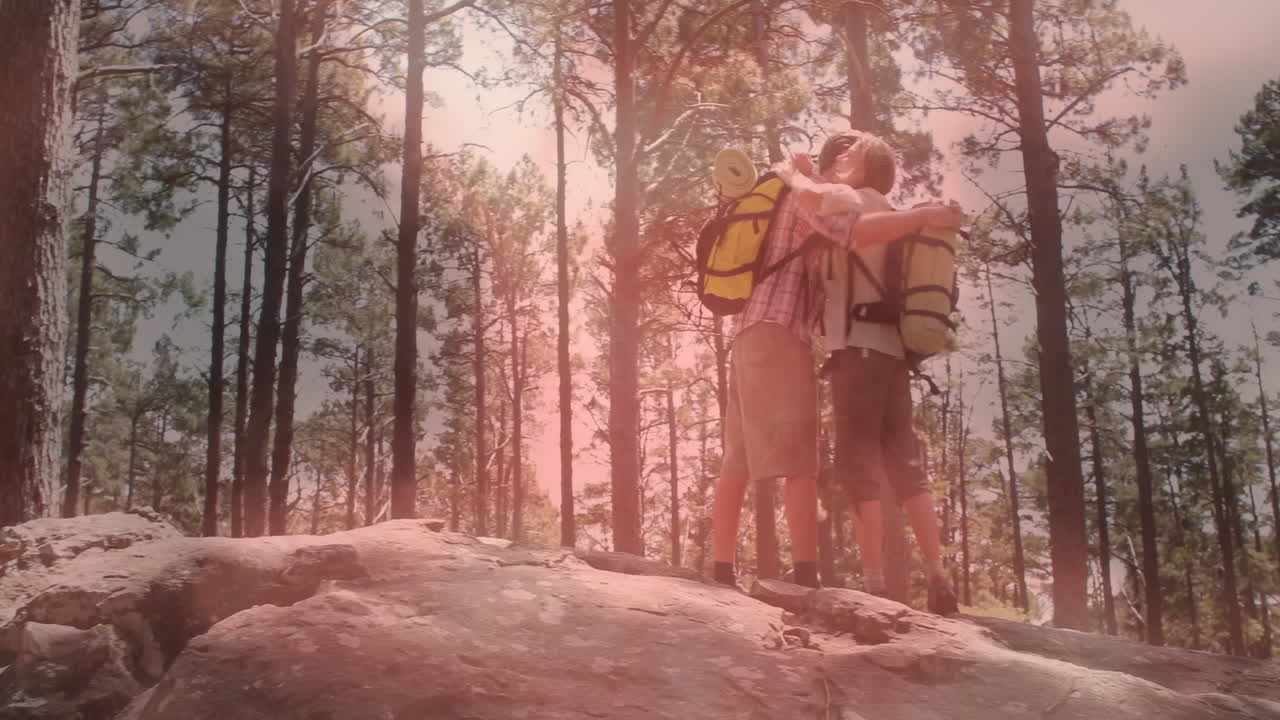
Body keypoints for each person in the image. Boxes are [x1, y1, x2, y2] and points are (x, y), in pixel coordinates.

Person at [710, 132, 962, 597]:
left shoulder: (794, 184)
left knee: (739, 459)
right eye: (840, 156)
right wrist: (924, 216)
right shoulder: (810, 190)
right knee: (801, 459)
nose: (842, 162)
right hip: (781, 329)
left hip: (751, 329)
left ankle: (720, 569)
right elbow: (854, 232)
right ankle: (807, 575)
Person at [781, 131, 961, 615]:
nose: (841, 155)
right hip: (894, 354)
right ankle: (937, 573)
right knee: (905, 463)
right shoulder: (898, 214)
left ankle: (875, 584)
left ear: (872, 164)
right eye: (836, 151)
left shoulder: (852, 200)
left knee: (858, 465)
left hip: (855, 351)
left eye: (852, 151)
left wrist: (799, 174)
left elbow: (823, 215)